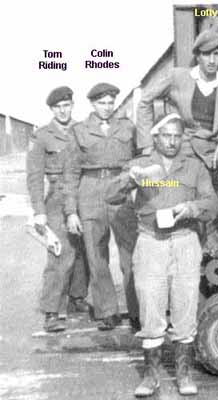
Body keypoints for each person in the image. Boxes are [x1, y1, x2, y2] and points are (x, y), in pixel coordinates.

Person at [105, 114, 218, 397]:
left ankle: (183, 373)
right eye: (166, 135)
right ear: (155, 137)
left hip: (185, 241)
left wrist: (191, 208)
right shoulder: (140, 164)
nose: (172, 141)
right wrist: (130, 180)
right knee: (151, 308)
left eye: (177, 136)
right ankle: (151, 375)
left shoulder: (194, 166)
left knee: (185, 307)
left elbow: (212, 203)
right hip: (150, 243)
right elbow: (109, 195)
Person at [137, 28, 218, 259]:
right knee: (182, 189)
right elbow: (145, 100)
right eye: (207, 54)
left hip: (213, 148)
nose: (212, 60)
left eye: (217, 54)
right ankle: (191, 242)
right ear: (197, 56)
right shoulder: (178, 76)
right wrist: (147, 144)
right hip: (183, 145)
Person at [63, 83, 140, 331]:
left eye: (110, 102)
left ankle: (138, 310)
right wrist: (71, 211)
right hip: (90, 190)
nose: (106, 107)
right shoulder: (79, 130)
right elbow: (71, 172)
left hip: (120, 189)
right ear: (93, 104)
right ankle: (107, 312)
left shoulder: (128, 127)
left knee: (130, 255)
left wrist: (132, 181)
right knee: (97, 257)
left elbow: (141, 157)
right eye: (101, 103)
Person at [26, 86, 90, 332]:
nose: (63, 111)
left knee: (84, 249)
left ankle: (77, 297)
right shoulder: (42, 136)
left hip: (82, 194)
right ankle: (51, 311)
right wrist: (38, 210)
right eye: (58, 107)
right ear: (51, 109)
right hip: (55, 198)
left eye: (67, 106)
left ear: (72, 105)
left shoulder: (81, 130)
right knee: (59, 252)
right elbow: (34, 177)